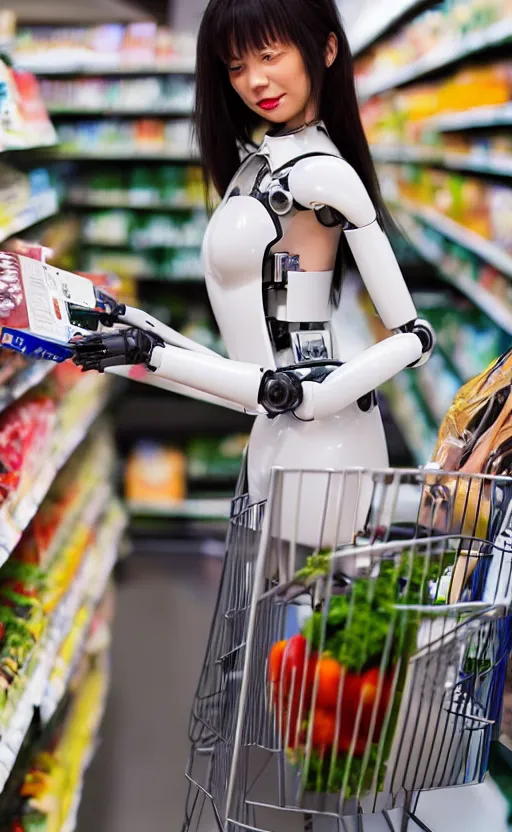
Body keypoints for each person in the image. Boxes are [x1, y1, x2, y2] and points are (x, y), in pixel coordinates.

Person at [72, 0, 434, 826]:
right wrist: (140, 343)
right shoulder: (252, 165)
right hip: (278, 438)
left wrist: (304, 393)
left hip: (325, 446)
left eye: (270, 55)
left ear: (326, 50)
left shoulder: (321, 175)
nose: (254, 81)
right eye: (236, 67)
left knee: (317, 691)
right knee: (265, 687)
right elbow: (247, 370)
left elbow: (412, 333)